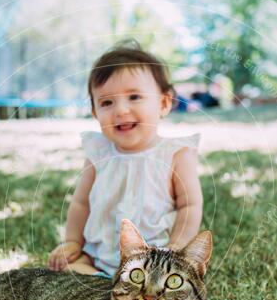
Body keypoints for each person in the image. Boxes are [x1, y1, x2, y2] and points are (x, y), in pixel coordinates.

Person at [47, 40, 203, 276]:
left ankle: (112, 288)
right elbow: (81, 203)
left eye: (134, 97)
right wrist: (72, 242)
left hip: (154, 260)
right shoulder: (98, 153)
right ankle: (99, 279)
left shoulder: (175, 155)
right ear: (94, 112)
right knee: (64, 271)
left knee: (165, 280)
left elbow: (189, 206)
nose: (120, 110)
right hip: (97, 255)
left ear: (163, 103)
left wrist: (176, 248)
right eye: (107, 102)